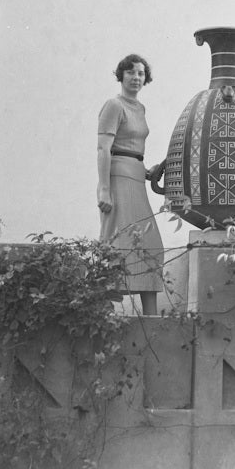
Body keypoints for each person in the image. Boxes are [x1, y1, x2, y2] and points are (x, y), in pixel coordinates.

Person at [97, 54, 165, 315]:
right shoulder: (113, 105)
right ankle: (103, 313)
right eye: (131, 73)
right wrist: (104, 189)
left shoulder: (140, 108)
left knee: (150, 246)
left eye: (140, 73)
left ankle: (151, 321)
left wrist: (146, 171)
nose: (136, 77)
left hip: (136, 177)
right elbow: (103, 148)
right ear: (121, 75)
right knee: (118, 244)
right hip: (117, 178)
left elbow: (134, 149)